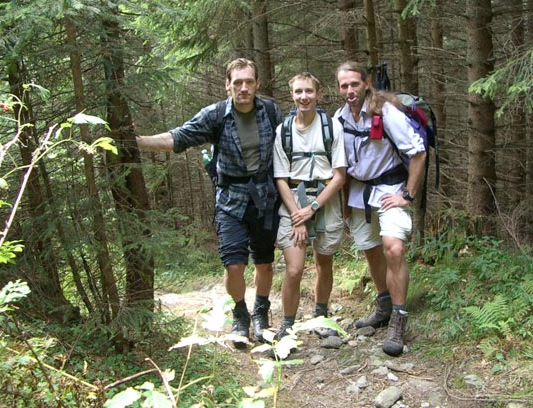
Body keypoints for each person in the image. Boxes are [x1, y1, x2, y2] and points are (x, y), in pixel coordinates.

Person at [136, 58, 282, 347]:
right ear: (227, 85)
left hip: (265, 199)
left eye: (248, 82)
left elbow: (288, 147)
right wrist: (137, 141)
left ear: (257, 84)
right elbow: (178, 137)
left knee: (264, 264)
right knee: (234, 265)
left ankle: (261, 315)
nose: (243, 88)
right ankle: (240, 314)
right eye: (237, 82)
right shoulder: (215, 115)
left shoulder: (271, 111)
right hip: (230, 200)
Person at [334, 61, 426, 356]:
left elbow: (418, 152)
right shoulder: (340, 117)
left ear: (366, 83)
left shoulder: (386, 111)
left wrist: (407, 196)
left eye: (354, 84)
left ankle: (399, 320)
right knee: (371, 249)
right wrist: (344, 202)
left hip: (390, 190)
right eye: (344, 85)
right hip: (359, 193)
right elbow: (343, 164)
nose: (350, 90)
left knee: (393, 249)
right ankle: (384, 304)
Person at [272, 72, 346, 340]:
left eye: (309, 91)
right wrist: (298, 216)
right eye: (298, 92)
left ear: (319, 94)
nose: (304, 97)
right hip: (293, 202)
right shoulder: (284, 130)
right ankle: (287, 326)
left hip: (325, 201)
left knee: (324, 262)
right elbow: (280, 177)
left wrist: (312, 208)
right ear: (292, 94)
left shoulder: (331, 127)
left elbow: (339, 175)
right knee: (293, 268)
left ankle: (321, 316)